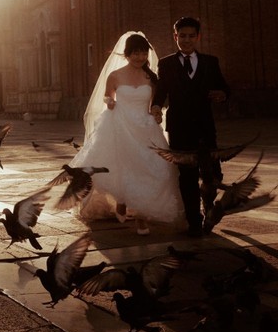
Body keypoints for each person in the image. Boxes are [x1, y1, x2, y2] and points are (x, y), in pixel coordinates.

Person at [70, 32, 184, 234]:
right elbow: (106, 97)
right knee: (121, 166)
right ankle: (122, 200)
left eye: (143, 53)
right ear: (127, 54)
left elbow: (154, 104)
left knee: (150, 168)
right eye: (135, 53)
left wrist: (156, 114)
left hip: (144, 126)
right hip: (120, 124)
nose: (140, 58)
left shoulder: (151, 77)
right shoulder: (115, 76)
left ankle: (141, 216)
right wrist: (110, 102)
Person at [150, 16, 230, 237]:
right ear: (175, 37)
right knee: (186, 176)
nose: (186, 40)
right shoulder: (166, 63)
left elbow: (224, 88)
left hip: (205, 127)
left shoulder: (210, 62)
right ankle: (194, 219)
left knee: (213, 175)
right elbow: (161, 91)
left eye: (191, 36)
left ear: (198, 37)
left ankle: (209, 205)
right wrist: (156, 106)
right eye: (182, 36)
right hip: (179, 128)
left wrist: (222, 95)